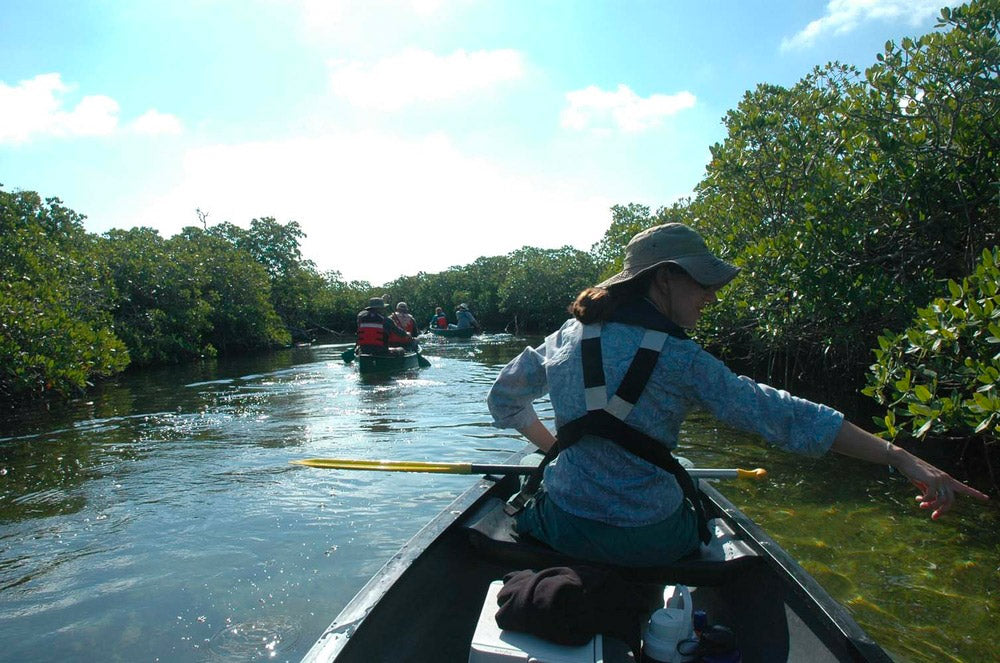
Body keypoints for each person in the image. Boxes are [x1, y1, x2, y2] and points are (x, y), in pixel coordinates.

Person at [487, 223, 988, 568]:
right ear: (665, 277)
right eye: (703, 282)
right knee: (693, 518)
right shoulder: (684, 360)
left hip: (565, 523)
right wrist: (899, 457)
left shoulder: (565, 338)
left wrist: (553, 449)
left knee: (540, 498)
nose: (712, 295)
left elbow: (502, 399)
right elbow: (784, 416)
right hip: (651, 538)